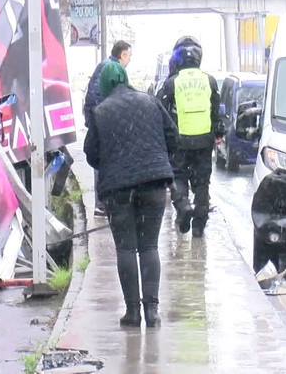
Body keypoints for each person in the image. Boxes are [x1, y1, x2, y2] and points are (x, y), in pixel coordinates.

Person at [84, 62, 179, 328]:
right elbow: (173, 136)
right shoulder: (150, 102)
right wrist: (157, 159)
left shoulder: (100, 112)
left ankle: (132, 312)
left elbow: (91, 153)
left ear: (104, 85)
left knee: (126, 248)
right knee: (149, 246)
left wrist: (113, 164)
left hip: (118, 190)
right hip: (154, 183)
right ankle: (153, 312)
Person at [160, 36, 224, 238]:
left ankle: (184, 206)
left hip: (180, 141)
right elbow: (216, 112)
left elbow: (160, 109)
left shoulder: (171, 83)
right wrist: (218, 134)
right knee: (202, 183)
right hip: (204, 140)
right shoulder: (209, 81)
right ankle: (198, 225)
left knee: (178, 177)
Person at [82, 41, 132, 215]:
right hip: (103, 123)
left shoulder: (107, 66)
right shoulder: (110, 68)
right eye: (129, 55)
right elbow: (99, 96)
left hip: (101, 120)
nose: (130, 59)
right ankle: (101, 203)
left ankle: (105, 201)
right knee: (102, 161)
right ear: (123, 55)